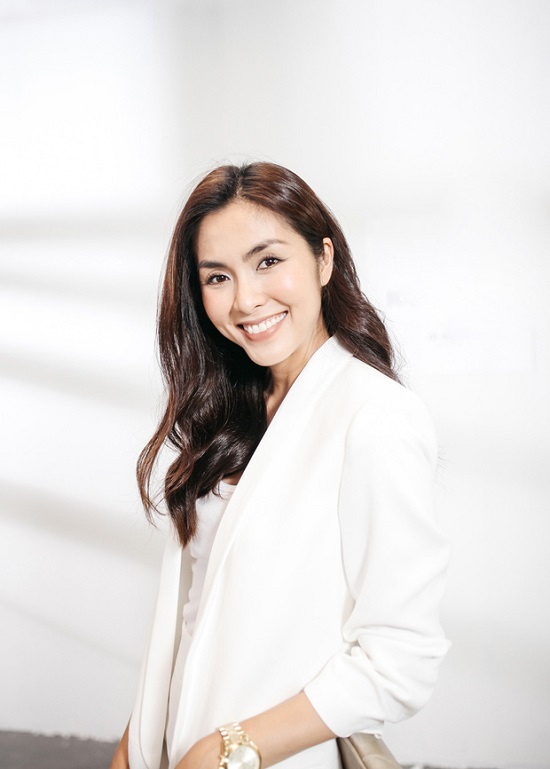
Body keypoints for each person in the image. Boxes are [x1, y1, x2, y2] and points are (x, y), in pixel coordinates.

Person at [110, 162, 449, 769]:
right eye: (218, 277)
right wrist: (133, 750)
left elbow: (401, 660)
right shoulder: (229, 416)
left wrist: (228, 749)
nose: (245, 299)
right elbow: (193, 624)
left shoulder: (375, 416)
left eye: (268, 261)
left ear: (324, 260)